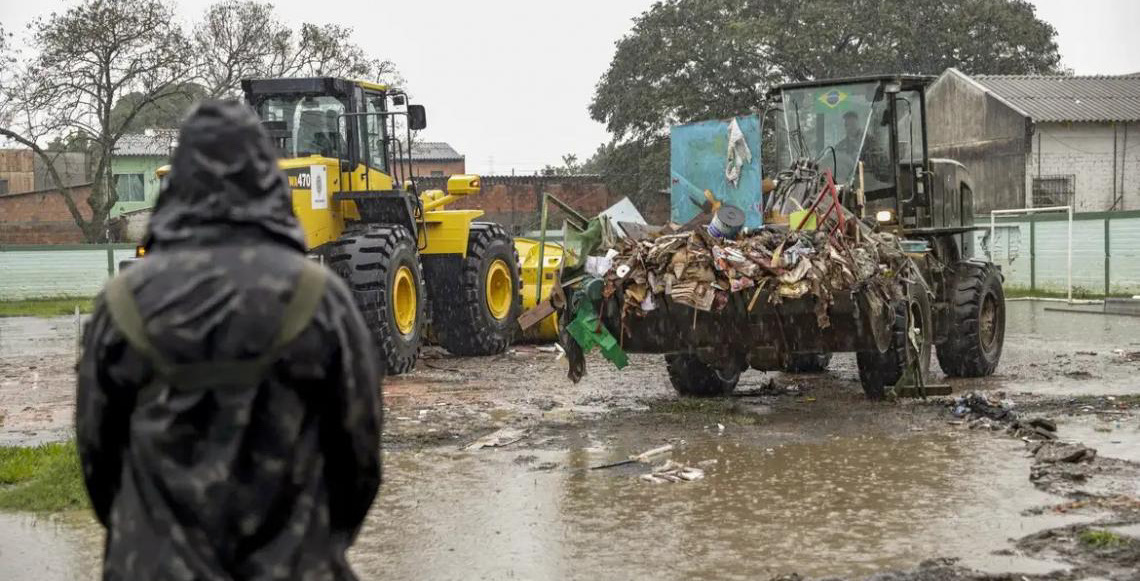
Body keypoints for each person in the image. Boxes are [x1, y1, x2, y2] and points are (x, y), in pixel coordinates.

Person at [77, 101, 382, 580]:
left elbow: (98, 461)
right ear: (267, 177)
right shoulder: (320, 299)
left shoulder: (122, 304)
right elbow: (358, 456)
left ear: (177, 182)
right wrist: (315, 541)